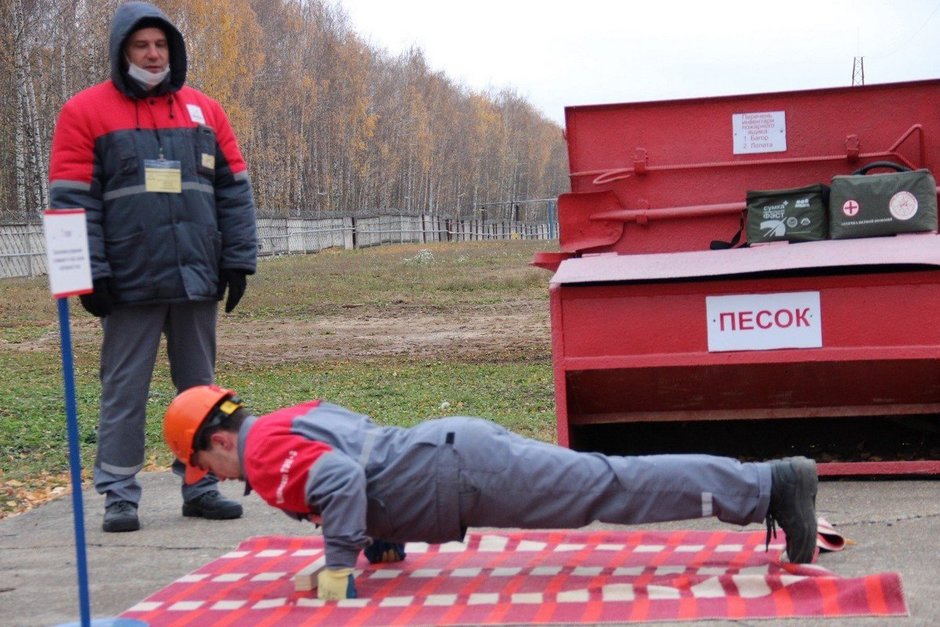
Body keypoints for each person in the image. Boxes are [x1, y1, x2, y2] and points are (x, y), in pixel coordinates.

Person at [163, 385, 820, 601]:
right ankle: (763, 485)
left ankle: (768, 484)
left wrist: (338, 572)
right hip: (452, 453)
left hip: (460, 472)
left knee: (615, 484)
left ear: (214, 444)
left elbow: (335, 479)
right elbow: (358, 452)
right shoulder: (283, 418)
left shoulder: (262, 454)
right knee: (611, 480)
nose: (218, 479)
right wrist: (380, 538)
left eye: (202, 467)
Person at [48, 1, 257, 533]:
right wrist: (89, 276)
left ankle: (201, 485)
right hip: (127, 281)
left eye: (161, 44)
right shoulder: (85, 112)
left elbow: (234, 193)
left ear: (174, 51)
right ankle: (120, 494)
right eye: (141, 45)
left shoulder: (206, 112)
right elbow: (71, 201)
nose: (153, 53)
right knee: (125, 391)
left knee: (201, 392)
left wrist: (237, 260)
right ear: (123, 51)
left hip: (195, 276)